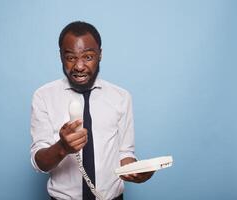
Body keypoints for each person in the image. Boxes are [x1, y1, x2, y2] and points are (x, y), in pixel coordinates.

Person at [30, 21, 154, 200]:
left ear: (100, 55)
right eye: (71, 57)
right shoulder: (43, 96)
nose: (79, 66)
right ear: (61, 56)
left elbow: (125, 153)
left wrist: (137, 171)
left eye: (88, 57)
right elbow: (39, 163)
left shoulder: (121, 97)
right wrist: (62, 148)